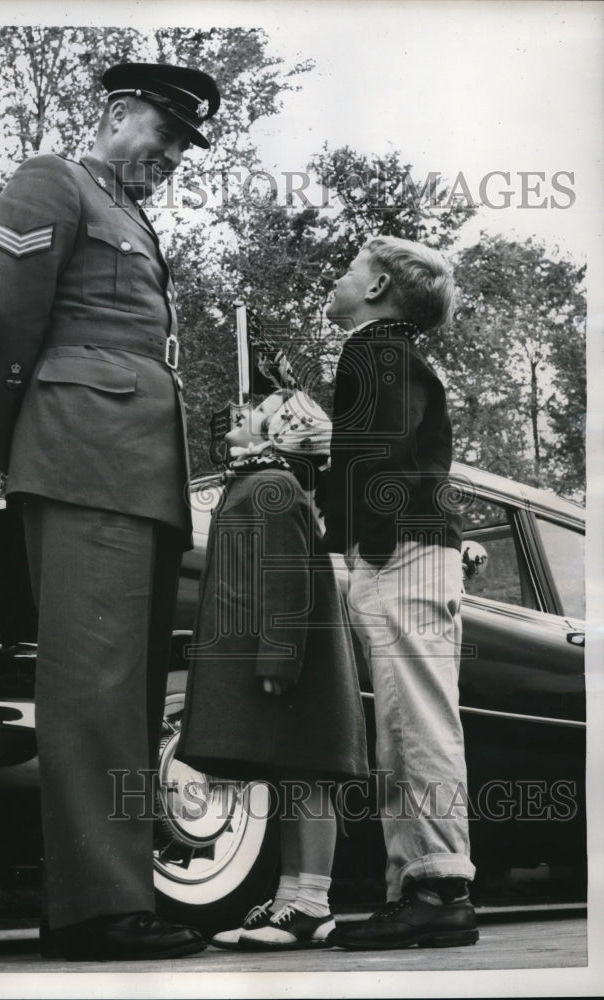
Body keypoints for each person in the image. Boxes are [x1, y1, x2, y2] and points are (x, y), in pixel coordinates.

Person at [0, 62, 220, 962]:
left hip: (137, 471)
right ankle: (96, 909)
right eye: (168, 132)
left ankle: (114, 894)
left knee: (131, 697)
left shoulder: (132, 214)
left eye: (186, 144)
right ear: (115, 113)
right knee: (95, 690)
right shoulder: (55, 181)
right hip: (83, 459)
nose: (176, 155)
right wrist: (22, 442)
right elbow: (3, 316)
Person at [323, 236, 479, 950]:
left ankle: (437, 889)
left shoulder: (373, 350)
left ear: (379, 286)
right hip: (418, 553)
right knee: (407, 720)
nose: (338, 279)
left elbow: (380, 456)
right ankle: (417, 889)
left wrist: (369, 542)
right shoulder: (397, 354)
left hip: (403, 556)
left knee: (413, 722)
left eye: (350, 269)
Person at [176, 389, 369, 950]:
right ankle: (290, 898)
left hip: (300, 666)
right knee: (291, 777)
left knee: (310, 776)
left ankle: (313, 903)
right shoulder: (260, 482)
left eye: (257, 412)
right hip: (288, 662)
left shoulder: (272, 486)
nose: (241, 413)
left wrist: (279, 656)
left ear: (279, 434)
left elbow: (286, 577)